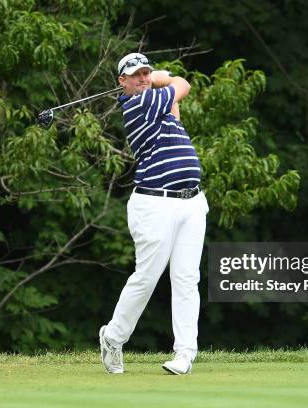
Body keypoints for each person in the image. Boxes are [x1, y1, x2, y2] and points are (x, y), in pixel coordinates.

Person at [99, 52, 209, 375]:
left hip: (191, 203)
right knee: (146, 279)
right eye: (135, 75)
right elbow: (182, 84)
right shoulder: (137, 106)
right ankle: (112, 338)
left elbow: (174, 99)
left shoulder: (161, 106)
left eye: (146, 73)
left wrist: (153, 76)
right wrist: (161, 75)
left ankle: (185, 354)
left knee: (187, 279)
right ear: (122, 82)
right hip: (154, 204)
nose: (143, 79)